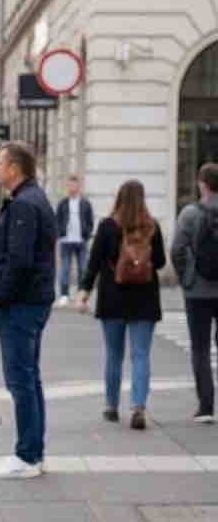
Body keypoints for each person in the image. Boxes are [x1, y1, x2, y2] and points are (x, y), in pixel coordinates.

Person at [0, 141, 57, 479]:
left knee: (21, 380)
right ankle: (33, 452)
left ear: (15, 168)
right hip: (32, 301)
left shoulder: (25, 204)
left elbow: (19, 259)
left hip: (21, 305)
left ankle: (27, 455)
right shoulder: (31, 199)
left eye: (0, 163)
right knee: (30, 377)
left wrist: (1, 294)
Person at [76, 180, 165, 430]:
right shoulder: (152, 227)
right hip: (145, 299)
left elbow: (93, 262)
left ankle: (111, 406)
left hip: (112, 299)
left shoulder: (107, 226)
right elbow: (159, 262)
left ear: (119, 198)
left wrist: (84, 290)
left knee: (114, 355)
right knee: (141, 355)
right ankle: (138, 406)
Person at [169, 162, 218, 423]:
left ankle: (206, 407)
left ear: (201, 184)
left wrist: (187, 279)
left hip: (197, 293)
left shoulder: (189, 213)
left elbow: (176, 249)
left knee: (200, 348)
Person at [55, 174, 94, 306]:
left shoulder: (85, 203)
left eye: (74, 185)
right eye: (70, 185)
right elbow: (57, 219)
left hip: (81, 241)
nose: (72, 187)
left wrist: (87, 233)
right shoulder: (63, 203)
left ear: (78, 187)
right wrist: (60, 233)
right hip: (66, 240)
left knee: (83, 269)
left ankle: (81, 295)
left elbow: (90, 220)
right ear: (67, 187)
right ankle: (64, 295)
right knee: (65, 269)